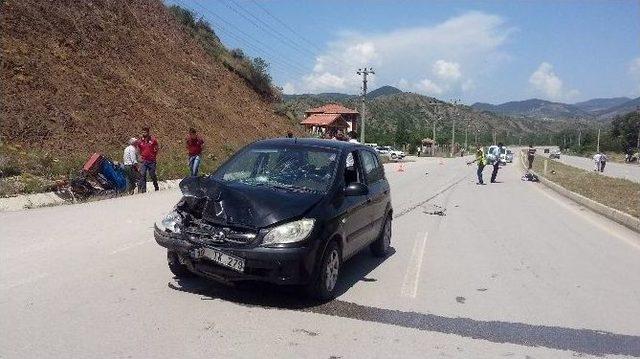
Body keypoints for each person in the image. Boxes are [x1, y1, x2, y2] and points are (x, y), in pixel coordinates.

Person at [137, 126, 159, 192]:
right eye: (143, 132)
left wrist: (154, 155)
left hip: (152, 161)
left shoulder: (153, 140)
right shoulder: (140, 141)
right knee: (143, 174)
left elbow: (157, 148)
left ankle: (156, 186)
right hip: (144, 161)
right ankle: (143, 190)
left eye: (145, 132)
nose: (144, 133)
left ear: (148, 132)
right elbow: (138, 149)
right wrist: (139, 156)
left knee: (152, 174)